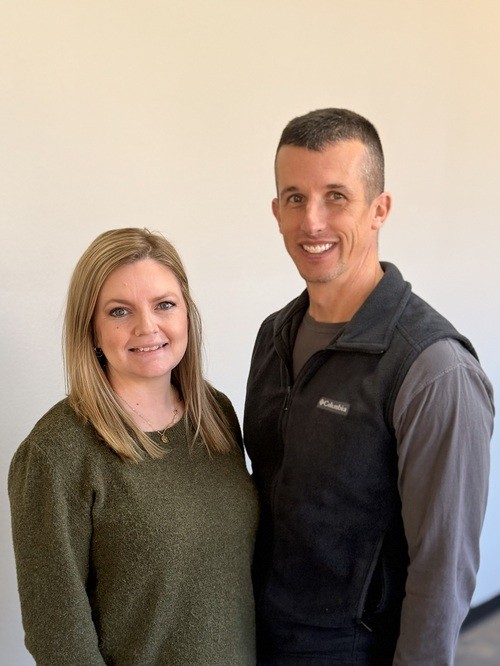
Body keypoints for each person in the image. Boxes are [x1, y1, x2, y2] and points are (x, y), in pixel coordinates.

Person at [243, 108, 494, 665]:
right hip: (258, 637)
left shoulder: (434, 370)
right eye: (295, 198)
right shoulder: (274, 336)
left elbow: (443, 572)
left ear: (379, 209)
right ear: (276, 212)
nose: (312, 222)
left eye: (336, 196)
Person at [9, 227, 258, 665]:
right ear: (91, 330)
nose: (147, 326)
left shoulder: (214, 414)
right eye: (119, 311)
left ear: (186, 314)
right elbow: (57, 637)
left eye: (165, 305)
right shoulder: (55, 453)